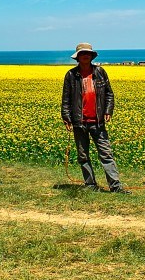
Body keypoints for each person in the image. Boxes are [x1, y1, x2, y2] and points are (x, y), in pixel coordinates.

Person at [61, 42, 130, 194]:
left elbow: (109, 94)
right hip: (79, 122)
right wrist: (66, 117)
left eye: (88, 53)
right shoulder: (71, 75)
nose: (86, 55)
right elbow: (66, 99)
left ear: (92, 56)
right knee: (83, 155)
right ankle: (90, 184)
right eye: (82, 53)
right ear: (77, 57)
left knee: (106, 154)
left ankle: (115, 186)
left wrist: (108, 110)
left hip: (98, 122)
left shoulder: (100, 72)